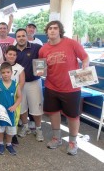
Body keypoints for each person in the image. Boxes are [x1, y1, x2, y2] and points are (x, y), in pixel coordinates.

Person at [39, 20, 89, 155]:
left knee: (73, 116)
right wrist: (38, 71)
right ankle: (57, 138)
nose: (52, 30)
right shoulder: (43, 49)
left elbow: (85, 57)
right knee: (53, 112)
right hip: (51, 86)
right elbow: (41, 69)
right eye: (50, 28)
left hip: (71, 88)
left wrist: (85, 65)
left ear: (60, 30)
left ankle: (73, 142)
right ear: (47, 32)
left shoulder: (71, 43)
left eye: (55, 28)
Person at [14, 28, 44, 142]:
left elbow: (42, 62)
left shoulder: (36, 47)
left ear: (27, 36)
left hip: (34, 82)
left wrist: (40, 72)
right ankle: (25, 127)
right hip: (19, 84)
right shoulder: (12, 50)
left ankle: (38, 129)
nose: (21, 38)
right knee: (21, 107)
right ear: (16, 38)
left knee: (36, 107)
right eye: (18, 36)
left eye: (23, 36)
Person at [0, 45, 25, 145]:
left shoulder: (19, 68)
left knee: (14, 118)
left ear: (16, 56)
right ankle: (0, 135)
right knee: (1, 117)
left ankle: (12, 136)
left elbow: (21, 82)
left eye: (14, 55)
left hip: (13, 96)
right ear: (5, 55)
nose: (11, 56)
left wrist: (15, 93)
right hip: (2, 95)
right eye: (10, 54)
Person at [0, 62, 22, 155]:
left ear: (11, 73)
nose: (6, 74)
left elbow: (20, 97)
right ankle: (1, 143)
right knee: (0, 128)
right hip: (0, 111)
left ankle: (9, 144)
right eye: (3, 72)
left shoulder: (16, 84)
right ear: (1, 73)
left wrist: (14, 106)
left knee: (10, 129)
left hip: (11, 112)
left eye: (8, 72)